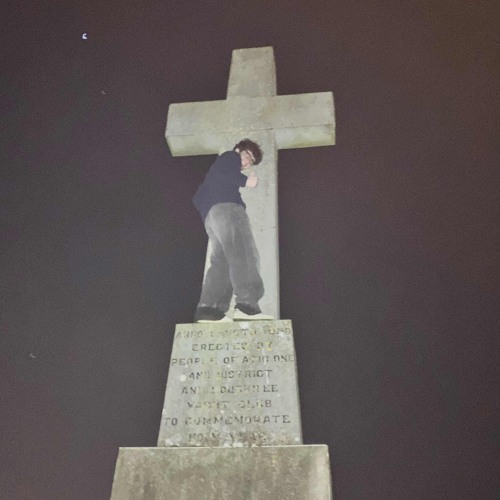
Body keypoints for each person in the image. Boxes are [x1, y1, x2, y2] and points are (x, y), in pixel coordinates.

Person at [192, 139, 274, 323]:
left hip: (212, 217)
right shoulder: (230, 157)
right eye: (247, 155)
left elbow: (198, 197)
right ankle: (247, 306)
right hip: (229, 211)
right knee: (244, 254)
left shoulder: (217, 176)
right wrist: (246, 181)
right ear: (238, 149)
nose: (247, 162)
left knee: (222, 262)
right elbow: (226, 172)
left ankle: (209, 309)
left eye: (251, 162)